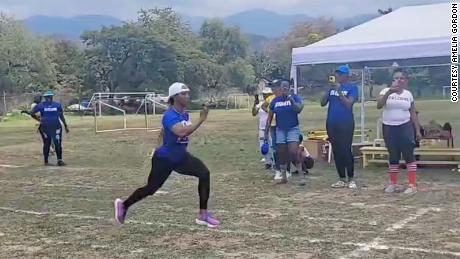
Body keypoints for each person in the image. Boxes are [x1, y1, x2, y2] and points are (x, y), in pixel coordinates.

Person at [114, 82, 220, 228]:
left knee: (204, 173)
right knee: (151, 189)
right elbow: (181, 132)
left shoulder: (184, 114)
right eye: (184, 94)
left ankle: (203, 214)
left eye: (188, 93)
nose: (187, 96)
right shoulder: (169, 116)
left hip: (180, 157)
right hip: (165, 159)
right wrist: (201, 120)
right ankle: (124, 205)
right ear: (174, 97)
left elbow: (172, 132)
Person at [377, 68, 422, 194]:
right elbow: (379, 105)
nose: (398, 80)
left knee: (408, 154)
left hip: (405, 127)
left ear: (406, 81)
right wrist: (389, 92)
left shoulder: (408, 94)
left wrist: (417, 130)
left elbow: (413, 113)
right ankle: (393, 184)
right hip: (389, 127)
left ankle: (412, 185)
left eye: (401, 78)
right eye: (396, 78)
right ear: (393, 80)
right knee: (393, 154)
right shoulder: (385, 91)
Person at [321, 65, 359, 189]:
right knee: (336, 151)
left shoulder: (352, 88)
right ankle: (341, 178)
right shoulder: (331, 88)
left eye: (340, 74)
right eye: (337, 73)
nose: (337, 76)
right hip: (332, 122)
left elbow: (349, 104)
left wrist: (339, 91)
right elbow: (322, 103)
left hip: (346, 122)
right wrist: (329, 89)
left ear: (346, 76)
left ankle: (351, 178)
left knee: (345, 150)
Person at [265, 80, 305, 185]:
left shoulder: (295, 98)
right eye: (283, 87)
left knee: (293, 151)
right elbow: (270, 117)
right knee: (281, 152)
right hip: (280, 129)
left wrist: (291, 99)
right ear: (280, 88)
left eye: (286, 86)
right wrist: (266, 132)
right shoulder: (275, 101)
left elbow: (299, 109)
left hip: (292, 128)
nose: (284, 88)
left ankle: (301, 175)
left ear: (289, 87)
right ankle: (284, 176)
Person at [30, 91, 69, 166]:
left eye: (49, 97)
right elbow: (32, 113)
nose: (48, 99)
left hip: (56, 127)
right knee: (47, 143)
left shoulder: (57, 105)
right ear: (45, 98)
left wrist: (65, 125)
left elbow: (61, 116)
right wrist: (39, 119)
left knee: (57, 143)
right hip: (45, 127)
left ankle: (59, 160)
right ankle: (46, 161)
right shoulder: (41, 105)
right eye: (47, 97)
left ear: (52, 97)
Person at [252, 88, 274, 169]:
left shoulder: (273, 103)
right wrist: (255, 103)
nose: (265, 95)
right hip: (262, 128)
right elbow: (254, 113)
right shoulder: (261, 103)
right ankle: (268, 162)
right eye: (264, 94)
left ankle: (273, 162)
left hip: (272, 127)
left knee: (272, 145)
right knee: (263, 146)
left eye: (266, 94)